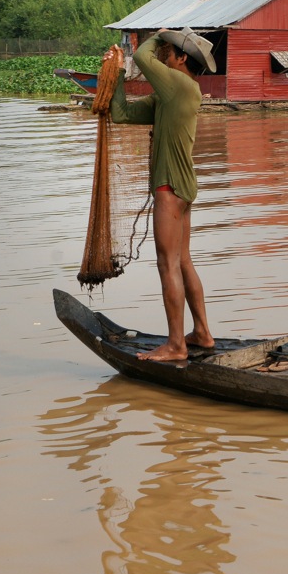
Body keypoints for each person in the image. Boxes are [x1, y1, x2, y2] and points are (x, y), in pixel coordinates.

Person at [104, 27, 217, 362]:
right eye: (164, 47)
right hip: (184, 187)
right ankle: (202, 334)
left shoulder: (178, 84)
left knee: (167, 264)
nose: (163, 53)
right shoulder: (175, 93)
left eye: (169, 50)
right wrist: (118, 74)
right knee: (183, 262)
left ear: (182, 59)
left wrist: (159, 33)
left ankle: (176, 345)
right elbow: (121, 114)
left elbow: (141, 55)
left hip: (170, 187)